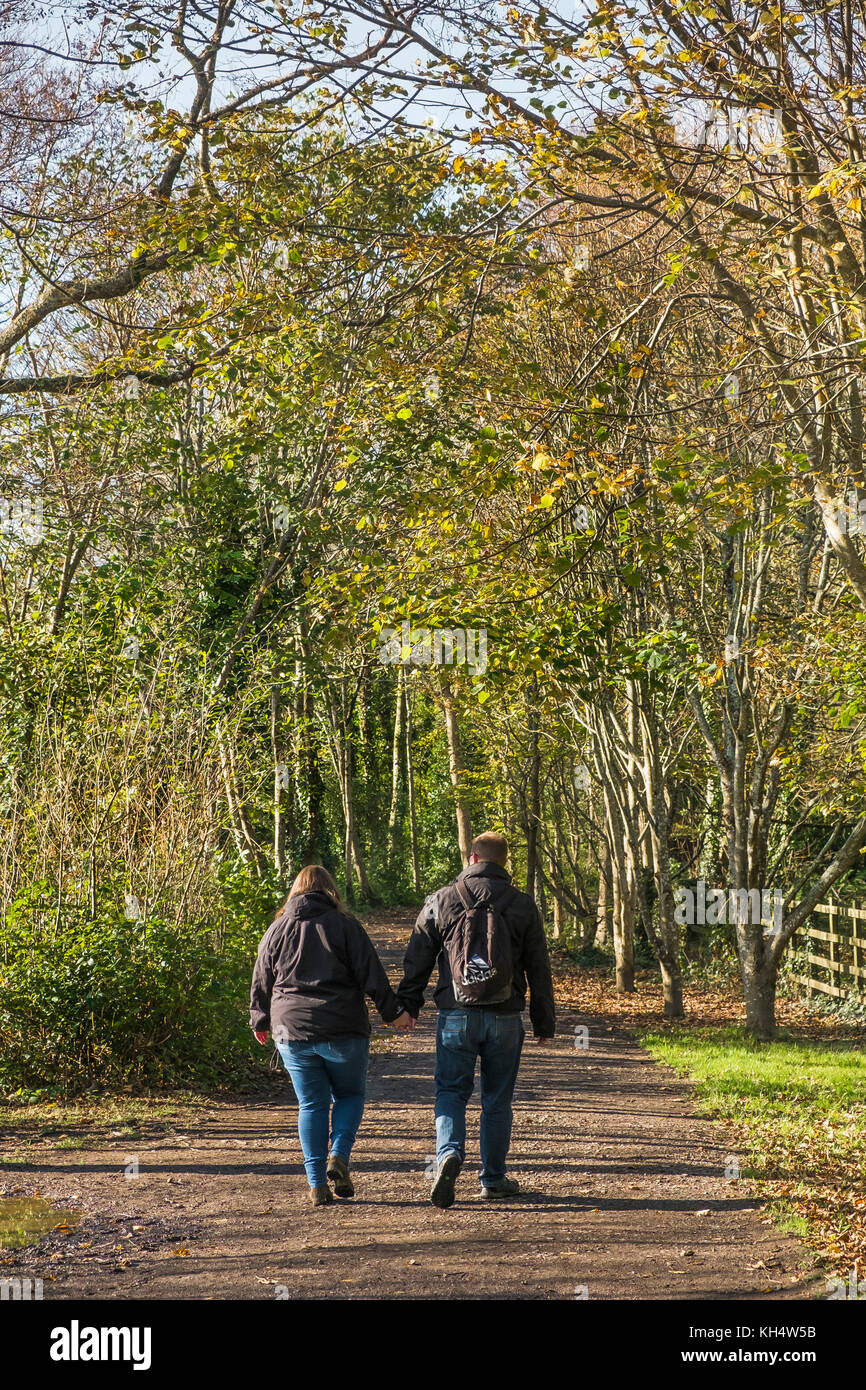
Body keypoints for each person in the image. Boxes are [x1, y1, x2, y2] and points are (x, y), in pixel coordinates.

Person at [396, 831, 555, 1208]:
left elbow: (417, 955)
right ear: (504, 863)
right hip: (504, 1018)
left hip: (455, 1015)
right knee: (497, 1100)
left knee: (451, 1092)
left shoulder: (442, 899)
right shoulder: (522, 904)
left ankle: (448, 1154)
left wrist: (406, 1007)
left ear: (472, 857)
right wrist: (543, 1022)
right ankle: (493, 1179)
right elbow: (538, 966)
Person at [250, 864, 414, 1206]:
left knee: (311, 1104)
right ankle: (338, 1155)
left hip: (291, 1031)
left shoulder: (277, 928)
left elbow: (261, 977)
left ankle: (316, 1185)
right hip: (343, 1029)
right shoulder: (346, 926)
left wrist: (260, 1020)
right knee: (350, 1096)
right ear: (330, 892)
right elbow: (371, 974)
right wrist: (394, 1014)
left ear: (295, 891)